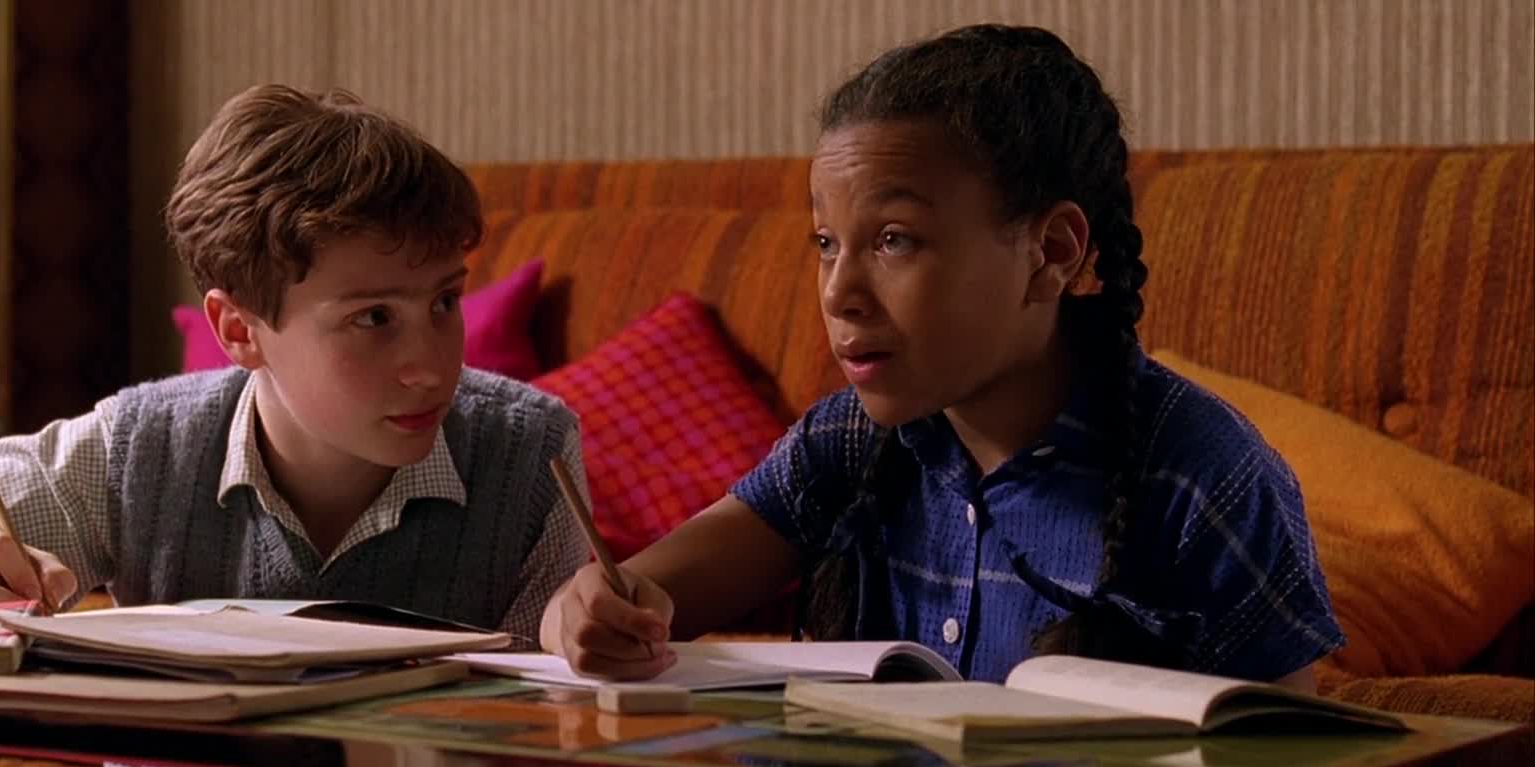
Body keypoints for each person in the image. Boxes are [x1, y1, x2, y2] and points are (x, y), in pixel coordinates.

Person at [0, 84, 589, 767]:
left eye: (445, 301)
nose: (430, 364)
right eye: (374, 318)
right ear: (239, 330)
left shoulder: (529, 453)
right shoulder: (141, 449)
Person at [540, 24, 1343, 692]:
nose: (839, 293)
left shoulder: (1204, 476)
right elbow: (625, 595)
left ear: (1051, 252)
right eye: (826, 243)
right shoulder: (846, 442)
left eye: (895, 240)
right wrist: (584, 615)